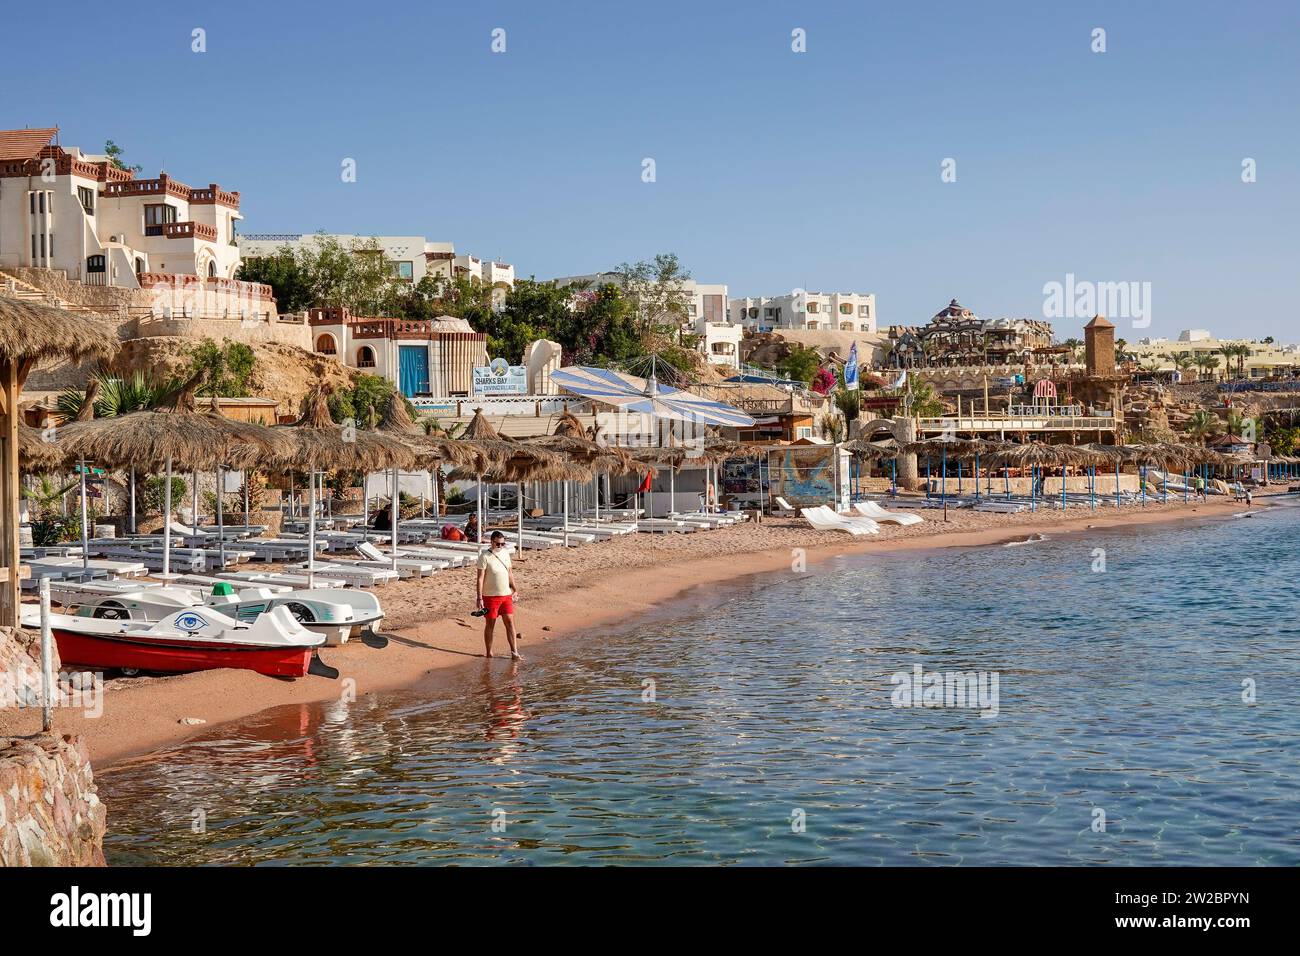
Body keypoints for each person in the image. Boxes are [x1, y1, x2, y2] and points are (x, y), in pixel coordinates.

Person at [476, 530, 521, 660]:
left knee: (510, 623)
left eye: (503, 544)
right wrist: (479, 597)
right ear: (492, 542)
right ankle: (489, 652)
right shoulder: (484, 556)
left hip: (506, 595)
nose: (500, 546)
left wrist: (515, 589)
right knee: (490, 624)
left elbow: (510, 573)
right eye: (498, 544)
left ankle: (514, 652)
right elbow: (480, 579)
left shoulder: (505, 554)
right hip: (490, 596)